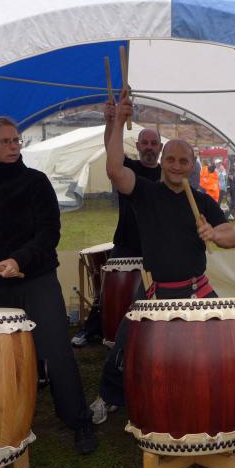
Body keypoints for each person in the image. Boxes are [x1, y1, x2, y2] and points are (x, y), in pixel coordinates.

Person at [96, 92, 235, 423]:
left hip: (196, 289)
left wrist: (214, 234)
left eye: (183, 161)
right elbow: (115, 168)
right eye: (171, 160)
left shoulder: (202, 201)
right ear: (162, 161)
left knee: (225, 346)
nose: (176, 166)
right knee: (124, 345)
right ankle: (108, 396)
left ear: (192, 166)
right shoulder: (145, 192)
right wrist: (118, 122)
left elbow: (231, 236)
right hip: (154, 289)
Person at [0, 116, 97, 454]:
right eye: (5, 141)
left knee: (57, 352)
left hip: (37, 278)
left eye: (16, 140)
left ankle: (78, 420)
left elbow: (49, 233)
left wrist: (19, 260)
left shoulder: (36, 182)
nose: (13, 146)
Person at [71, 103, 162, 348]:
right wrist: (111, 123)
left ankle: (152, 331)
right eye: (145, 143)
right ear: (138, 146)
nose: (149, 147)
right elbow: (111, 150)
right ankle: (93, 328)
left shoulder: (166, 175)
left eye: (154, 143)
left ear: (160, 147)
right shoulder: (128, 168)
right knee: (108, 291)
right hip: (126, 242)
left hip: (156, 245)